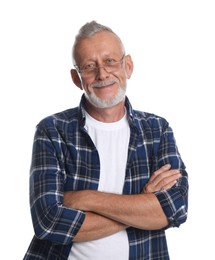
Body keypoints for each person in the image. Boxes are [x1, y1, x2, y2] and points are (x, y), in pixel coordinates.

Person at [24, 21, 189, 260]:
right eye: (89, 66)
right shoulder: (53, 130)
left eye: (110, 61)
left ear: (128, 66)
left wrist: (85, 198)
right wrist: (142, 203)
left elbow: (175, 209)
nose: (102, 74)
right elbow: (48, 223)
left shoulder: (157, 130)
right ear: (76, 78)